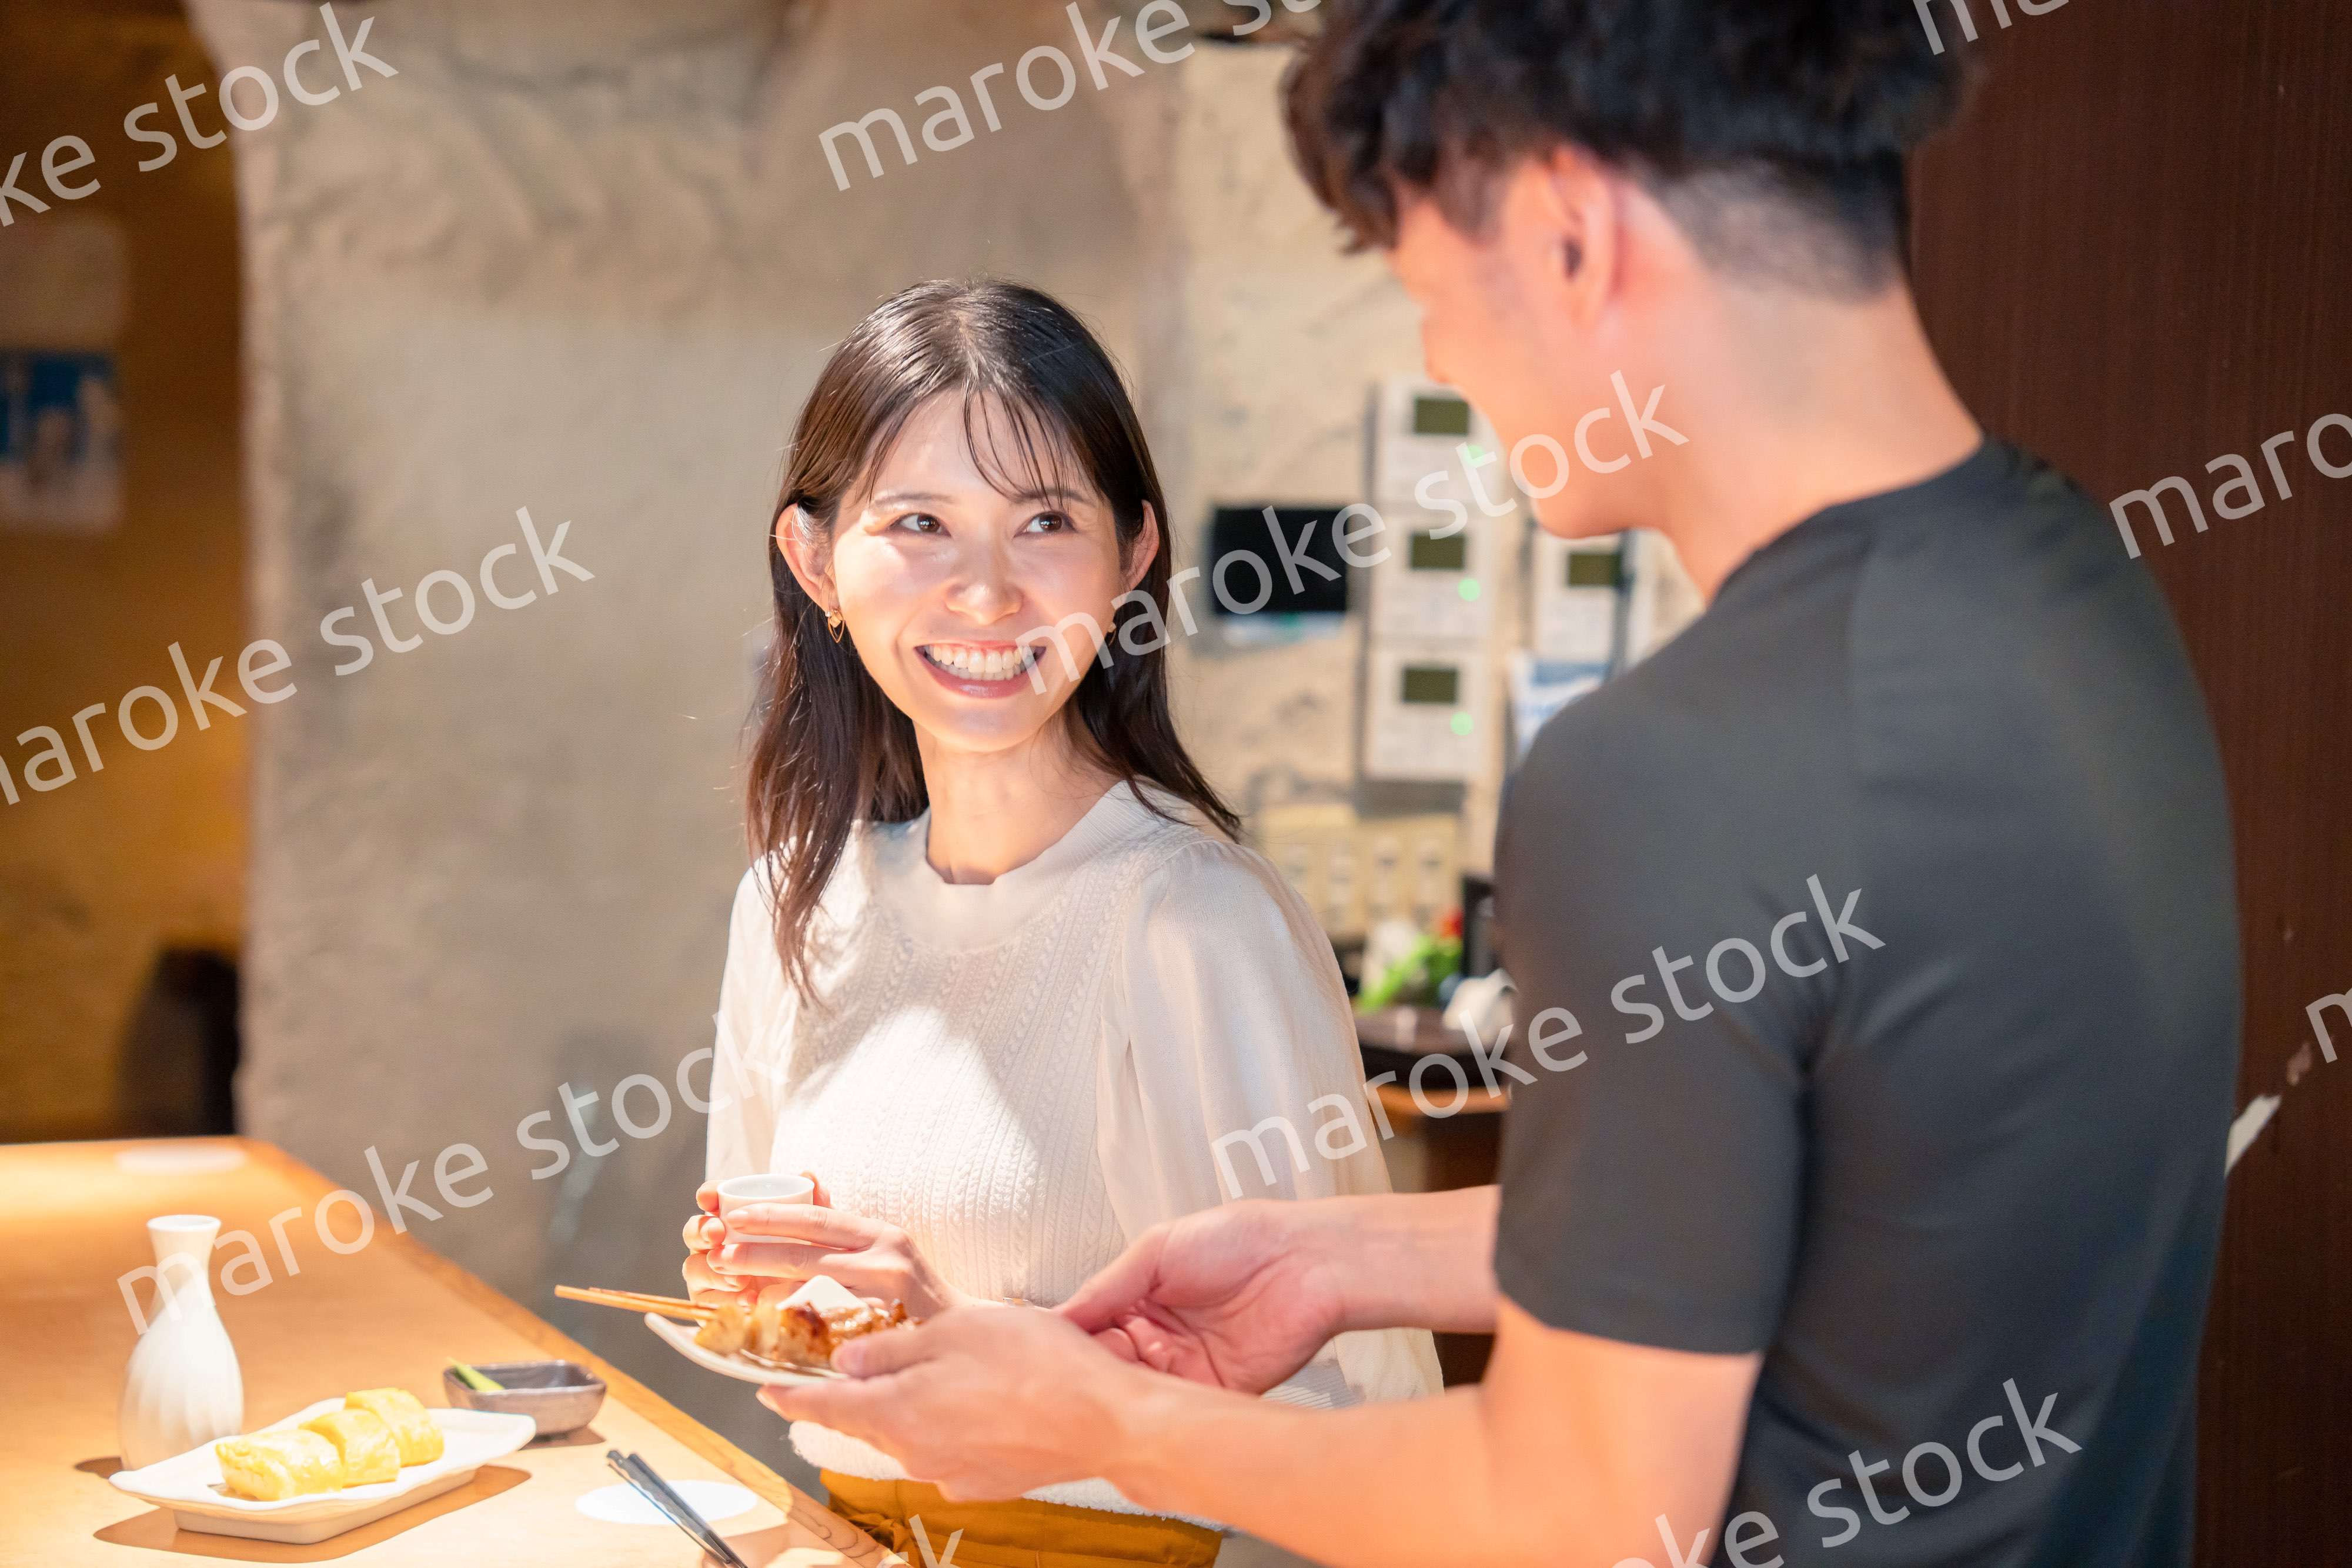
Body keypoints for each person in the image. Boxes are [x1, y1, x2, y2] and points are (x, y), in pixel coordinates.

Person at [763, 5, 2240, 1566]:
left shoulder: (1671, 775)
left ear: (1568, 234)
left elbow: (1573, 1515)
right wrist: (1348, 1254)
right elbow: (1890, 1209)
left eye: (1425, 288)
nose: (1440, 358)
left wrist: (1103, 1417)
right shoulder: (2079, 573)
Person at [680, 278, 1439, 1567]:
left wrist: (953, 1336)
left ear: (1133, 551)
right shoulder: (792, 902)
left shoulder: (1192, 921)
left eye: (1043, 522)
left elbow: (1362, 1415)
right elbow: (757, 1315)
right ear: (815, 562)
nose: (985, 595)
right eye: (917, 522)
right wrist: (765, 1289)